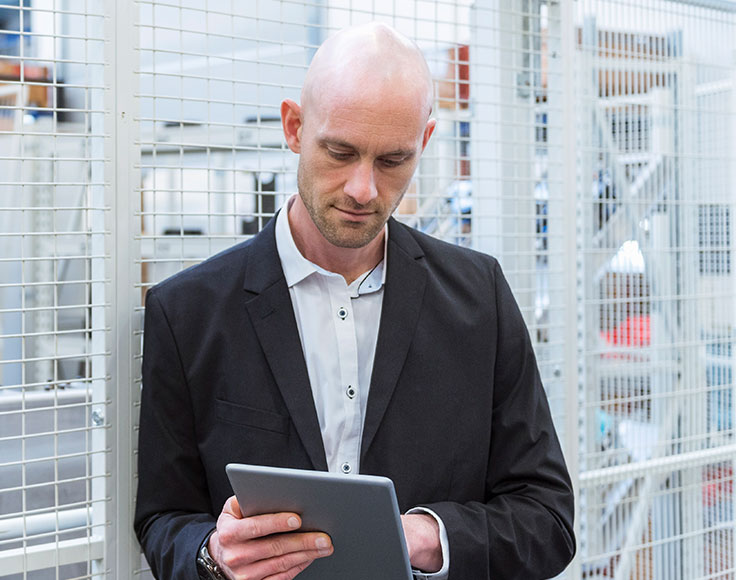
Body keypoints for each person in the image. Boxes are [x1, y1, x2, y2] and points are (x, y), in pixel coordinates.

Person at [134, 22, 575, 580]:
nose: (363, 189)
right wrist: (214, 556)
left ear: (426, 141)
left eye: (392, 161)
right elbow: (162, 518)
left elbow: (548, 517)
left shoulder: (479, 298)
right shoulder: (188, 313)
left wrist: (425, 535)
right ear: (294, 127)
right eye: (340, 152)